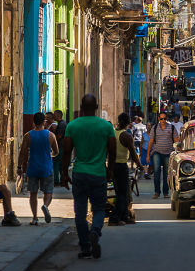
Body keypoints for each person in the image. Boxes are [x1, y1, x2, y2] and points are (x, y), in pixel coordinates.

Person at [63, 94, 116, 259]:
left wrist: (64, 173)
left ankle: (85, 247)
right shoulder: (106, 127)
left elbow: (66, 152)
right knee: (99, 208)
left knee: (80, 213)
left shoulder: (72, 126)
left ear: (81, 106)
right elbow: (113, 152)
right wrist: (110, 170)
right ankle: (95, 231)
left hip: (79, 173)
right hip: (98, 173)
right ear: (97, 106)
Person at [18, 112, 59, 225]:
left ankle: (35, 218)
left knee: (33, 194)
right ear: (44, 122)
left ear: (33, 122)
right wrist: (49, 155)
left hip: (33, 168)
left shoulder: (28, 135)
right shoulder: (50, 135)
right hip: (46, 168)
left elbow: (22, 153)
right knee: (48, 192)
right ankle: (45, 206)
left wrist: (19, 167)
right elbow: (56, 152)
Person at [112, 113, 143, 226]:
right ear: (128, 122)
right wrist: (140, 165)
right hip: (121, 166)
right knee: (122, 193)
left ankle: (124, 216)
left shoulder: (114, 133)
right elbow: (133, 154)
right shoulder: (126, 135)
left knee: (121, 192)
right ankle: (115, 217)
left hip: (113, 165)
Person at [148, 111, 177, 198]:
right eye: (161, 119)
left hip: (168, 153)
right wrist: (148, 155)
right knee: (156, 173)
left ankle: (165, 192)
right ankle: (157, 192)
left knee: (167, 174)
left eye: (164, 118)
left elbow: (176, 140)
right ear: (158, 119)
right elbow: (151, 141)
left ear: (166, 119)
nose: (163, 120)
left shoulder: (171, 128)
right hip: (157, 153)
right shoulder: (155, 128)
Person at [51, 110, 68, 187]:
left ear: (58, 116)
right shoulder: (62, 124)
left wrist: (52, 142)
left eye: (54, 115)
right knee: (60, 164)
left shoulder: (61, 125)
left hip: (60, 147)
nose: (53, 117)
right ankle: (62, 180)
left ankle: (56, 181)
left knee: (56, 163)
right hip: (62, 146)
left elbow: (59, 136)